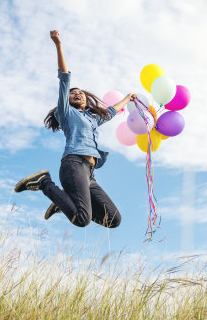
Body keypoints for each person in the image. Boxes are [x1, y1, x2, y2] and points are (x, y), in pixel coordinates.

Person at [14, 30, 137, 228]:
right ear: (68, 100)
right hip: (74, 164)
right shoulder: (66, 113)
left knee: (114, 220)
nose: (77, 94)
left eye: (81, 93)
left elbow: (112, 112)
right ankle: (44, 182)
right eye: (73, 94)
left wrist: (128, 98)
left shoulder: (92, 118)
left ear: (87, 100)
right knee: (82, 219)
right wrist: (58, 45)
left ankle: (64, 204)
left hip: (89, 173)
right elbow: (64, 79)